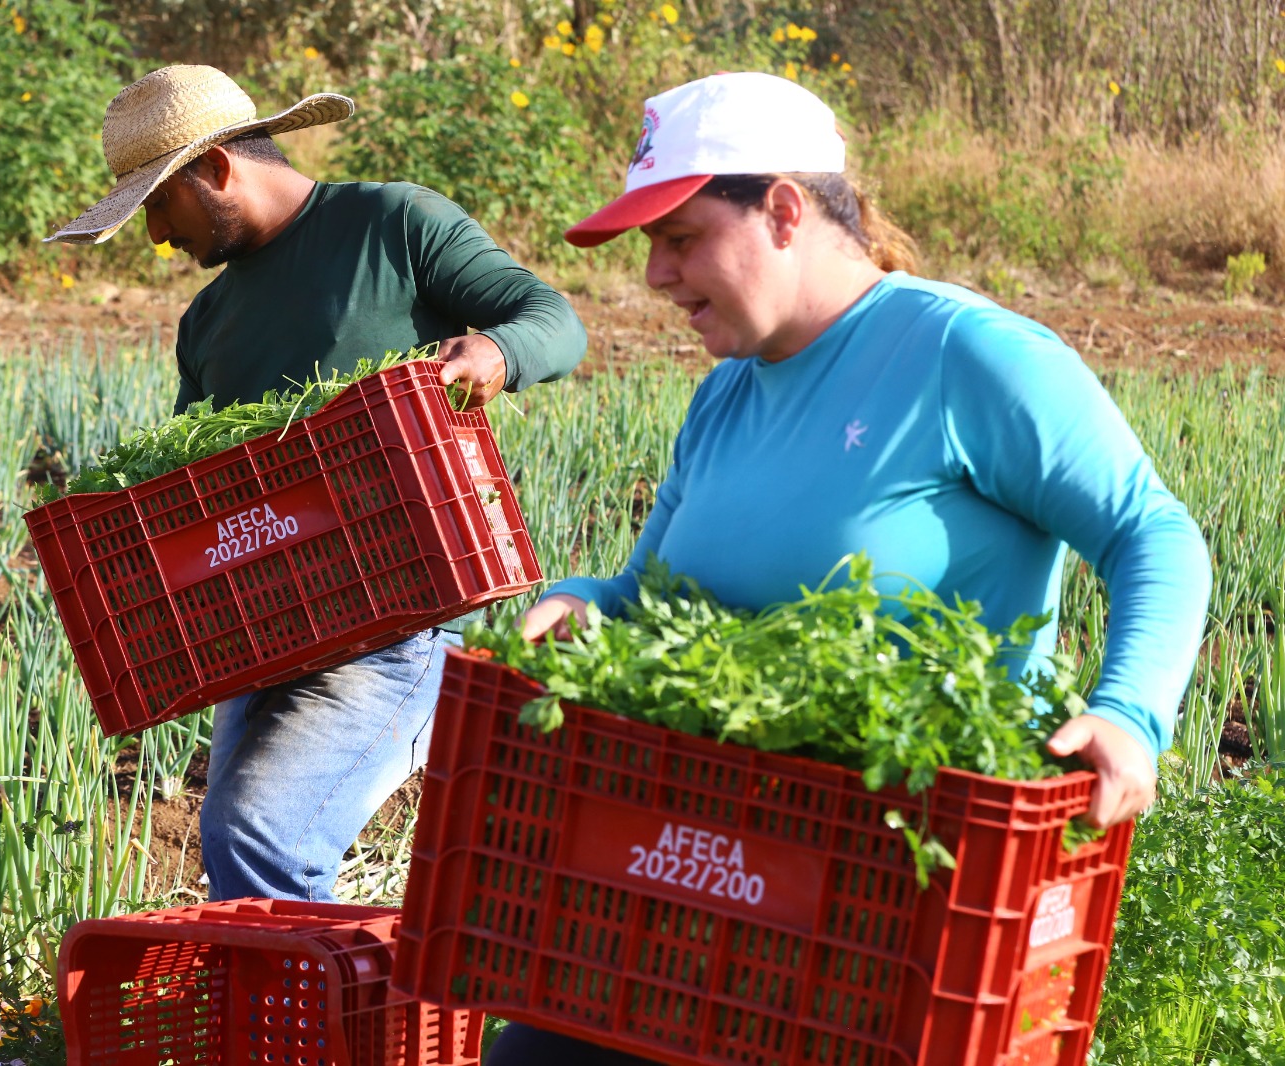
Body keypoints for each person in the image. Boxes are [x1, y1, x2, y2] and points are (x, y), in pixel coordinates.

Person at [496, 71, 1211, 1065]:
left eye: (680, 237)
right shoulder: (724, 400)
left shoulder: (966, 357)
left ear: (783, 209)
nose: (655, 277)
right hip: (707, 871)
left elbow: (1152, 532)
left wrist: (1130, 714)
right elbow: (645, 595)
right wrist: (584, 602)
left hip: (899, 890)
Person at [46, 65, 586, 903]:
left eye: (158, 204)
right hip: (265, 627)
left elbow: (552, 319)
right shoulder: (207, 321)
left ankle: (322, 1029)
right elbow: (197, 483)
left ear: (217, 169)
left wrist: (494, 353)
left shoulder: (393, 225)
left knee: (259, 835)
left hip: (400, 614)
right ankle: (278, 1026)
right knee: (240, 866)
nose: (155, 235)